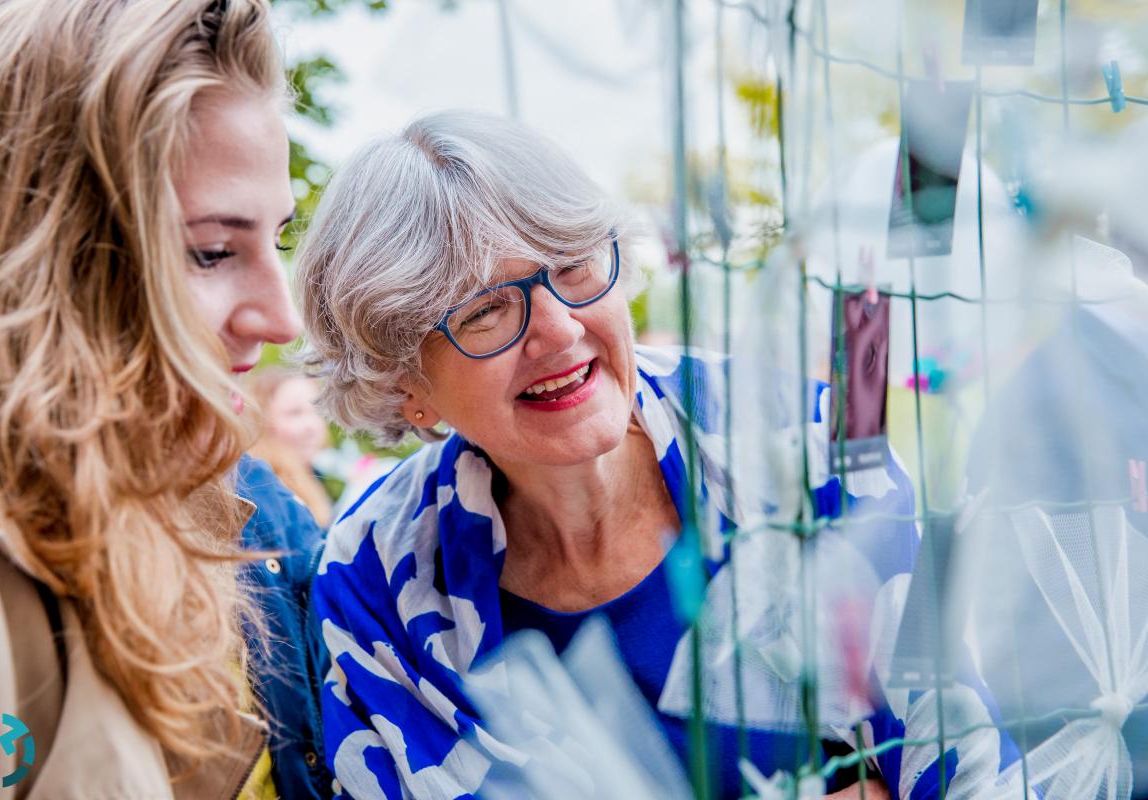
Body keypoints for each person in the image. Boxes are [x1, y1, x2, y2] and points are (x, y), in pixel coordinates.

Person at [298, 111, 1013, 799]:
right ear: (405, 384)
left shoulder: (804, 443)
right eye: (484, 311)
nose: (559, 328)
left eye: (573, 267)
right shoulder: (373, 573)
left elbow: (964, 756)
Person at [0, 1, 328, 797]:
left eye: (279, 240)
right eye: (211, 251)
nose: (282, 317)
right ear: (37, 250)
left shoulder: (182, 503)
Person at [247, 367, 335, 527]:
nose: (312, 425)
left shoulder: (313, 477)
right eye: (294, 413)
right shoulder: (263, 490)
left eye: (317, 412)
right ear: (261, 422)